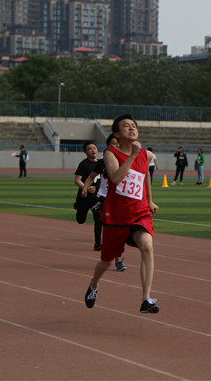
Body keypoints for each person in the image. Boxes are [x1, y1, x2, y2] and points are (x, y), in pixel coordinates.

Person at [84, 114, 159, 313]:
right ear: (117, 134)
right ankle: (94, 284)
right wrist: (132, 155)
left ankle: (146, 299)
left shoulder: (146, 155)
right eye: (126, 126)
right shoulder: (110, 153)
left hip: (139, 212)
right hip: (116, 215)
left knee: (147, 246)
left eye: (134, 125)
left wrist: (150, 200)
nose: (132, 128)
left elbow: (145, 176)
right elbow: (116, 178)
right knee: (107, 262)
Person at [81, 135, 126, 271]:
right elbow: (91, 177)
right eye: (114, 143)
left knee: (119, 231)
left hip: (120, 199)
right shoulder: (102, 162)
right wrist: (85, 188)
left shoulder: (125, 160)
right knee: (112, 229)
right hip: (105, 198)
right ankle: (117, 260)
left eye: (118, 144)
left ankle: (113, 256)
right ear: (108, 146)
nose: (117, 146)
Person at [74, 142, 103, 251]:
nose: (93, 150)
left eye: (94, 148)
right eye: (90, 149)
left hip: (97, 198)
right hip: (84, 196)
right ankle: (78, 205)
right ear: (85, 152)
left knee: (98, 220)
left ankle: (98, 244)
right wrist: (86, 188)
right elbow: (77, 180)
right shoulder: (84, 164)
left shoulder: (101, 163)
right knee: (80, 220)